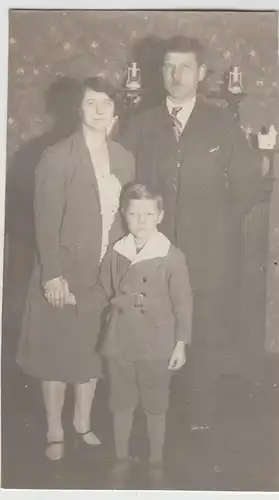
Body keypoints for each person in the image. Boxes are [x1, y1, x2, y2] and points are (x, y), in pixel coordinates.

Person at [119, 36, 263, 427]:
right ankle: (153, 416)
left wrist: (219, 225)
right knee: (151, 331)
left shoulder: (222, 124)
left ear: (201, 73)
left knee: (205, 332)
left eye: (184, 66)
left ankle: (199, 419)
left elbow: (249, 184)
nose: (176, 74)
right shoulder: (141, 124)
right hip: (152, 252)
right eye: (168, 66)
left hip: (208, 256)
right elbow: (123, 180)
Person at [16, 76, 135, 461]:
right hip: (63, 272)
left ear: (115, 112)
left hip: (102, 273)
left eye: (106, 103)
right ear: (78, 110)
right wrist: (52, 275)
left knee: (89, 354)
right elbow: (44, 221)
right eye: (91, 103)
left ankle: (82, 424)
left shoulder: (123, 158)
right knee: (56, 354)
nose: (99, 111)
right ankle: (54, 430)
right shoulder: (58, 156)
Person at [86, 182, 193, 486]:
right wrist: (75, 300)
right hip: (120, 339)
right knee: (121, 399)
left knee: (155, 400)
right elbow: (102, 290)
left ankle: (156, 461)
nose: (141, 220)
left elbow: (184, 302)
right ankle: (121, 458)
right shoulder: (116, 252)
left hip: (157, 342)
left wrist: (181, 343)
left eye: (148, 213)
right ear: (124, 215)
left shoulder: (171, 256)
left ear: (160, 215)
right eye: (134, 214)